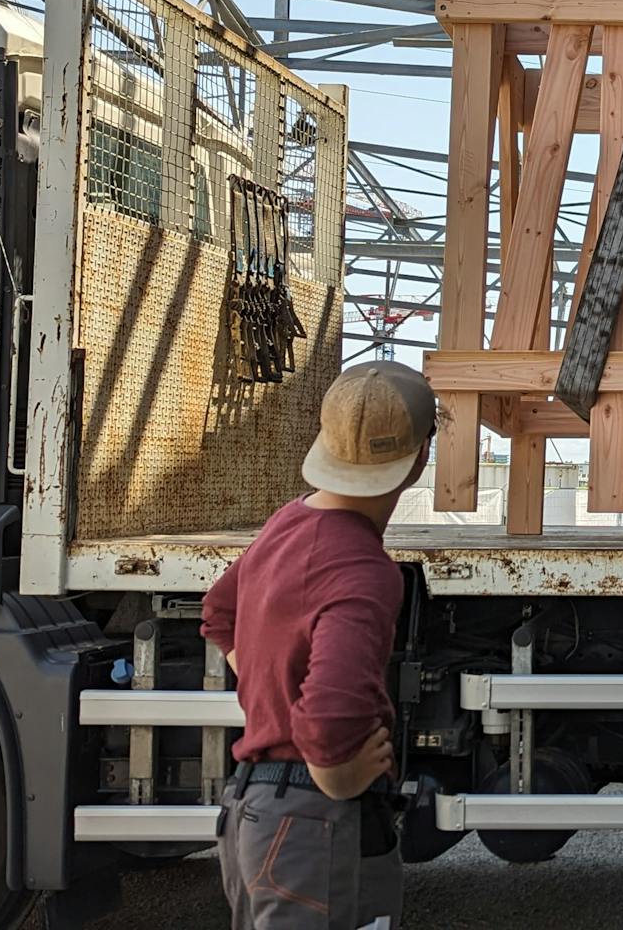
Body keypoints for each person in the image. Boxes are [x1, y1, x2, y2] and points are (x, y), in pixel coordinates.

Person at [201, 361, 436, 929]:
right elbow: (331, 713)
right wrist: (336, 771)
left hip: (252, 813)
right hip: (313, 821)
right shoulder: (363, 569)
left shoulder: (286, 523)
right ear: (417, 460)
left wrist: (273, 692)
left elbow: (218, 613)